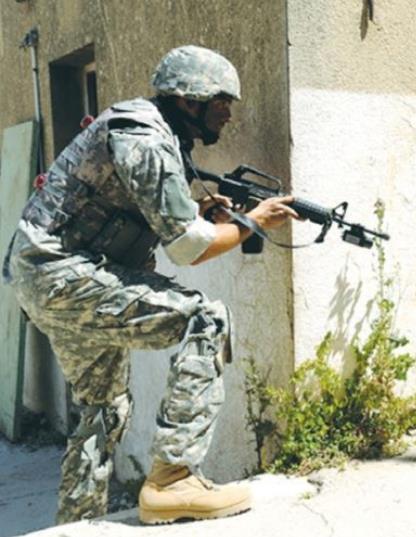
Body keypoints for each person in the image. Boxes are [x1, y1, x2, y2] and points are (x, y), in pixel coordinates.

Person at [2, 45, 300, 524]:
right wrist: (252, 223)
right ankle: (173, 479)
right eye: (221, 101)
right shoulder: (145, 136)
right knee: (204, 318)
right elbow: (188, 248)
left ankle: (77, 523)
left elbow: (151, 221)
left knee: (103, 407)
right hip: (61, 272)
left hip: (49, 273)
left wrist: (204, 214)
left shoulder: (154, 134)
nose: (228, 114)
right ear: (189, 101)